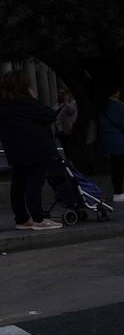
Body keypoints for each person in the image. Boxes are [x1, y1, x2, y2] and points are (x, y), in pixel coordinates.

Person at [0, 72, 63, 231]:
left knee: (18, 184)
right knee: (34, 184)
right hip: (35, 148)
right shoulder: (27, 102)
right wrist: (33, 98)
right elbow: (50, 115)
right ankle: (38, 219)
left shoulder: (4, 104)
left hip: (14, 149)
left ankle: (21, 219)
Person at [99, 88, 124, 202]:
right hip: (118, 140)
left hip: (108, 138)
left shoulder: (104, 105)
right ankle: (118, 192)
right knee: (118, 166)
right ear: (116, 93)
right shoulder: (115, 105)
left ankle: (119, 191)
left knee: (117, 166)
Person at [54, 90, 78, 158]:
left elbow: (71, 110)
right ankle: (67, 160)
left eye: (63, 94)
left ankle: (72, 161)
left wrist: (65, 102)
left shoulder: (72, 102)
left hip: (68, 130)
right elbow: (53, 112)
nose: (60, 96)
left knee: (70, 148)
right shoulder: (58, 104)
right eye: (59, 94)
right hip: (59, 130)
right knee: (64, 147)